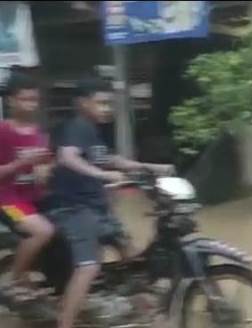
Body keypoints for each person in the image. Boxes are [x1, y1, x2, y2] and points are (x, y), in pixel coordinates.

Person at [49, 77, 173, 328]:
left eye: (109, 104)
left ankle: (125, 306)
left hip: (97, 206)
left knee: (131, 254)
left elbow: (111, 160)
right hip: (74, 209)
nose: (107, 108)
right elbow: (67, 158)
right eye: (101, 103)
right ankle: (65, 322)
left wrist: (149, 167)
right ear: (83, 103)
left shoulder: (94, 131)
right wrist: (102, 175)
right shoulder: (76, 127)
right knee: (89, 266)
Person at [0, 72, 55, 304]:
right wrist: (20, 164)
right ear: (10, 100)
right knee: (42, 231)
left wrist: (46, 170)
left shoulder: (40, 134)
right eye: (25, 99)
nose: (31, 105)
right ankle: (13, 281)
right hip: (7, 201)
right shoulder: (2, 131)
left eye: (34, 100)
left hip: (35, 198)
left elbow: (47, 166)